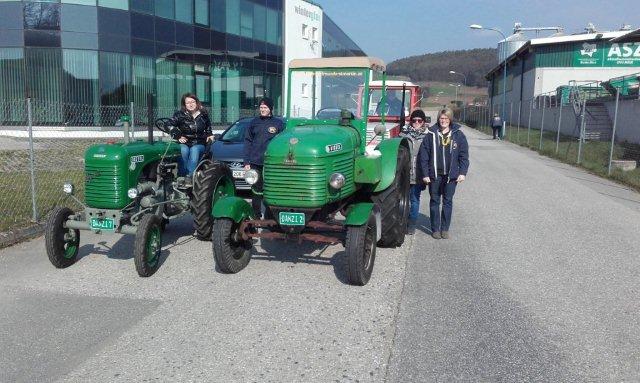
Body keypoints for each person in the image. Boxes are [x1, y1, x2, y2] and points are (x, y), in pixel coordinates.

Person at [418, 108, 469, 239]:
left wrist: (462, 172)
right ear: (438, 119)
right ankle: (435, 229)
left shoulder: (458, 135)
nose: (443, 121)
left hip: (451, 176)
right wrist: (425, 174)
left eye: (446, 118)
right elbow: (424, 156)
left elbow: (464, 156)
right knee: (434, 201)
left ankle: (445, 229)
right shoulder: (430, 134)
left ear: (450, 119)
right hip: (434, 175)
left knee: (448, 201)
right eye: (441, 118)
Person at [243, 98, 284, 218]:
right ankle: (256, 215)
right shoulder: (254, 122)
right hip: (255, 161)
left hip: (271, 163)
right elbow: (247, 141)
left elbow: (282, 143)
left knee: (270, 189)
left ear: (270, 109)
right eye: (261, 107)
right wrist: (246, 161)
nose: (262, 110)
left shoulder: (278, 123)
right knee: (256, 189)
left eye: (265, 107)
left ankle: (270, 215)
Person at [166, 93, 213, 186]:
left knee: (194, 150)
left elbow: (208, 129)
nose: (190, 104)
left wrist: (210, 135)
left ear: (196, 102)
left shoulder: (203, 114)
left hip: (199, 142)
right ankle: (181, 177)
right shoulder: (179, 115)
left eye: (192, 102)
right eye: (188, 103)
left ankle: (189, 177)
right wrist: (178, 136)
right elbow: (167, 124)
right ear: (184, 104)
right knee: (183, 150)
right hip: (185, 142)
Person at [399, 109, 428, 232]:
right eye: (414, 120)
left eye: (419, 120)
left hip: (418, 174)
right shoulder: (403, 135)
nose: (416, 122)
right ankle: (402, 222)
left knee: (414, 199)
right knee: (402, 199)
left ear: (423, 122)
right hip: (405, 174)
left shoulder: (428, 137)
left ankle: (411, 224)